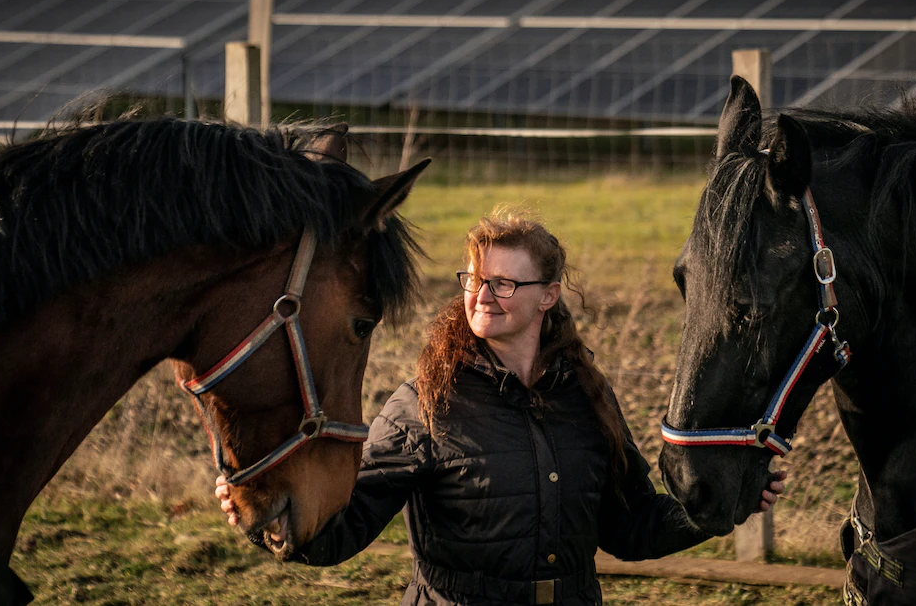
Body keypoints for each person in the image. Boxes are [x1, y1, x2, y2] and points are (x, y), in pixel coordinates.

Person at [216, 208, 786, 605]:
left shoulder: (586, 396)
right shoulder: (424, 403)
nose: (483, 295)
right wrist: (266, 516)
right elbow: (344, 529)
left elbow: (632, 527)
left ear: (548, 296)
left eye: (504, 284)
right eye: (474, 279)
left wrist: (721, 505)